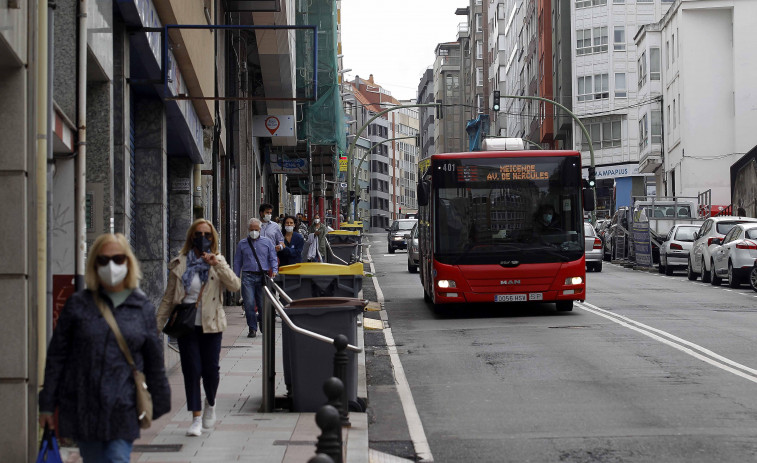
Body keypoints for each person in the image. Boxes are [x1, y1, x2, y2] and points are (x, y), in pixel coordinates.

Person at [39, 233, 171, 462]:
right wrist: (48, 405)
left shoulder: (141, 307)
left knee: (117, 458)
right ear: (94, 264)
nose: (111, 266)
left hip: (123, 406)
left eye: (118, 259)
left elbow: (153, 359)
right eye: (103, 260)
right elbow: (57, 357)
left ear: (128, 263)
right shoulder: (78, 305)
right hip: (85, 407)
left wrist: (159, 401)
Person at [156, 219, 241, 437]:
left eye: (207, 235)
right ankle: (195, 417)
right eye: (198, 234)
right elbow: (168, 298)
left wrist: (217, 264)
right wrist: (156, 324)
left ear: (213, 238)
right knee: (191, 370)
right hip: (187, 324)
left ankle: (210, 404)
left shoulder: (217, 260)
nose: (202, 238)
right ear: (191, 237)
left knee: (211, 370)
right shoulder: (180, 262)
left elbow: (235, 285)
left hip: (212, 323)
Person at [234, 218, 279, 338]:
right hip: (247, 276)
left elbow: (272, 257)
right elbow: (238, 261)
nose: (254, 232)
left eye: (256, 229)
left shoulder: (267, 242)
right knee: (249, 304)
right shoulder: (242, 244)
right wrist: (236, 276)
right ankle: (252, 328)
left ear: (260, 229)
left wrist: (274, 270)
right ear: (248, 230)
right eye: (252, 229)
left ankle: (263, 324)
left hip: (262, 276)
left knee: (262, 303)